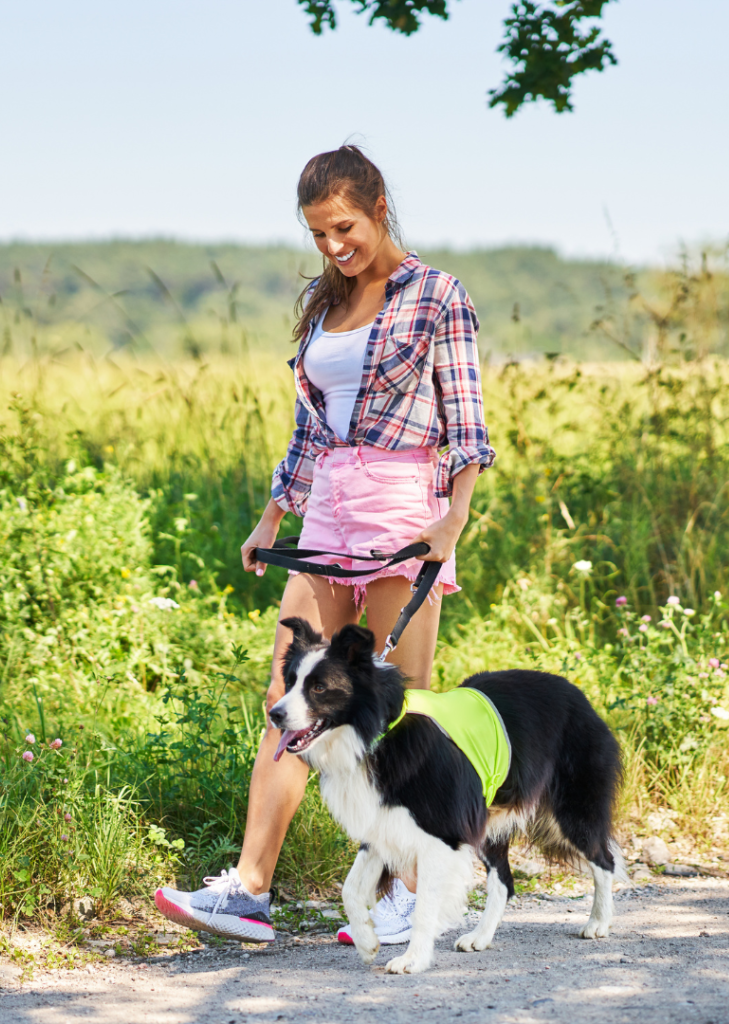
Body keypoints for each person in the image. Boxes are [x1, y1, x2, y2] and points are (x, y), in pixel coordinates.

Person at [155, 145, 495, 945]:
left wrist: (454, 518)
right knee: (288, 694)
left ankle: (418, 887)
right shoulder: (324, 300)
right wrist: (275, 514)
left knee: (399, 706)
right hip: (329, 511)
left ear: (378, 206)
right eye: (317, 233)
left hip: (400, 508)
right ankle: (248, 889)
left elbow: (468, 423)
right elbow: (312, 424)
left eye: (343, 226)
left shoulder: (437, 295)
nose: (333, 245)